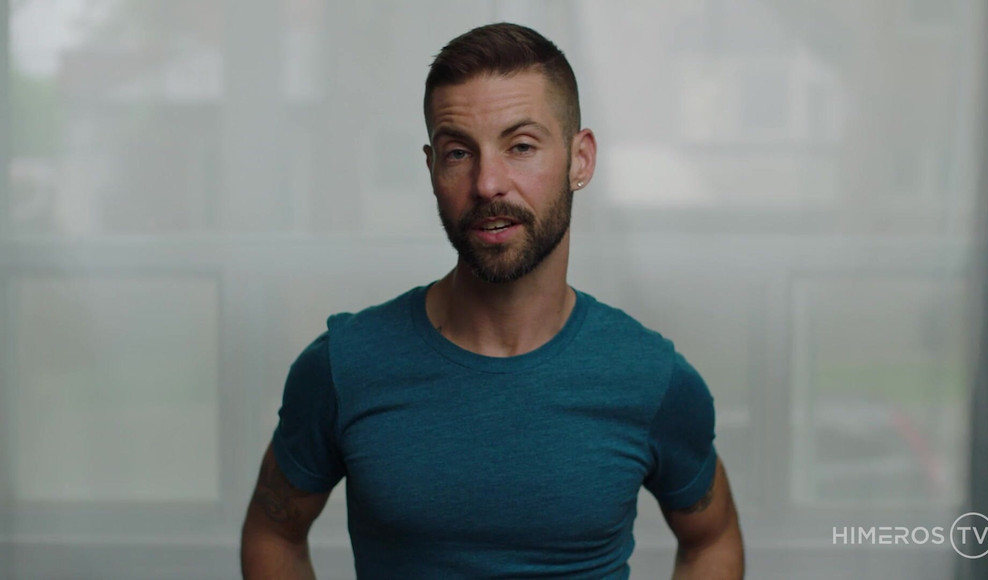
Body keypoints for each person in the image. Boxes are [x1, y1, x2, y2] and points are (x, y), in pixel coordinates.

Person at [240, 22, 744, 579]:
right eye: (459, 153)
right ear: (433, 169)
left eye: (521, 146)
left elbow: (711, 539)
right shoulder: (345, 366)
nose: (487, 183)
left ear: (580, 159)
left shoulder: (650, 376)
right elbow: (274, 533)